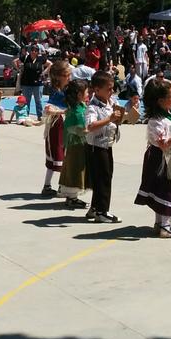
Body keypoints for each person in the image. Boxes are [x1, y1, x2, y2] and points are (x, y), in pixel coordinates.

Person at [135, 79, 171, 238]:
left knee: (162, 191)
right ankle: (165, 226)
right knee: (166, 191)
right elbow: (164, 145)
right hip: (161, 160)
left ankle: (160, 223)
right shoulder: (156, 122)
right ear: (160, 101)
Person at [85, 71, 124, 223]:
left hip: (107, 145)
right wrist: (110, 118)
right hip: (96, 147)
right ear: (97, 90)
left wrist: (120, 116)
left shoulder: (110, 102)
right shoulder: (93, 107)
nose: (111, 91)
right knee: (103, 178)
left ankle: (95, 207)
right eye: (108, 89)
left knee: (103, 176)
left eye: (112, 88)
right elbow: (90, 125)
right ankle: (102, 211)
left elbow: (117, 117)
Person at [58, 79, 90, 209]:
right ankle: (72, 197)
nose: (88, 92)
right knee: (75, 169)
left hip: (78, 144)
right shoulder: (76, 111)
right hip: (76, 145)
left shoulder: (80, 106)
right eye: (86, 91)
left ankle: (72, 196)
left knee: (76, 169)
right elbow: (81, 129)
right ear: (79, 95)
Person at [41, 60, 72, 196]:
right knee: (58, 155)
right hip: (57, 127)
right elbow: (47, 108)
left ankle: (50, 185)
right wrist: (62, 112)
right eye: (67, 75)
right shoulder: (56, 92)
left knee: (60, 156)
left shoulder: (65, 90)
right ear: (59, 76)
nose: (69, 78)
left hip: (63, 125)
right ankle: (59, 186)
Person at [18, 45, 48, 119]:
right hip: (26, 83)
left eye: (35, 50)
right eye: (32, 50)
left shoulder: (41, 59)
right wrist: (19, 69)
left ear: (38, 52)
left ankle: (40, 116)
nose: (33, 52)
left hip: (38, 83)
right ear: (30, 51)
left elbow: (50, 64)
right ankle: (25, 115)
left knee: (38, 101)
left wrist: (44, 72)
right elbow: (15, 61)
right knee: (26, 101)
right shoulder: (25, 58)